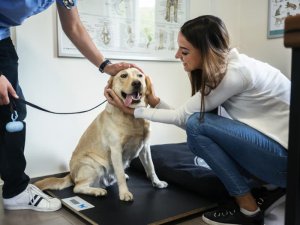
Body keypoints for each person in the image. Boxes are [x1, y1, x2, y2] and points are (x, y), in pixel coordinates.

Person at [105, 15, 289, 225]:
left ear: (206, 50)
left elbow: (187, 119)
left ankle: (249, 210)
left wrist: (135, 112)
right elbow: (189, 121)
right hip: (281, 155)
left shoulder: (234, 74)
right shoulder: (228, 66)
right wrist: (154, 101)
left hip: (287, 164)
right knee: (197, 128)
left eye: (184, 51)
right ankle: (267, 188)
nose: (177, 55)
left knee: (197, 126)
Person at [0, 0, 139, 212]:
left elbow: (73, 26)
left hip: (2, 40)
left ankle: (15, 191)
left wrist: (106, 65)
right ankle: (16, 191)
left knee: (13, 113)